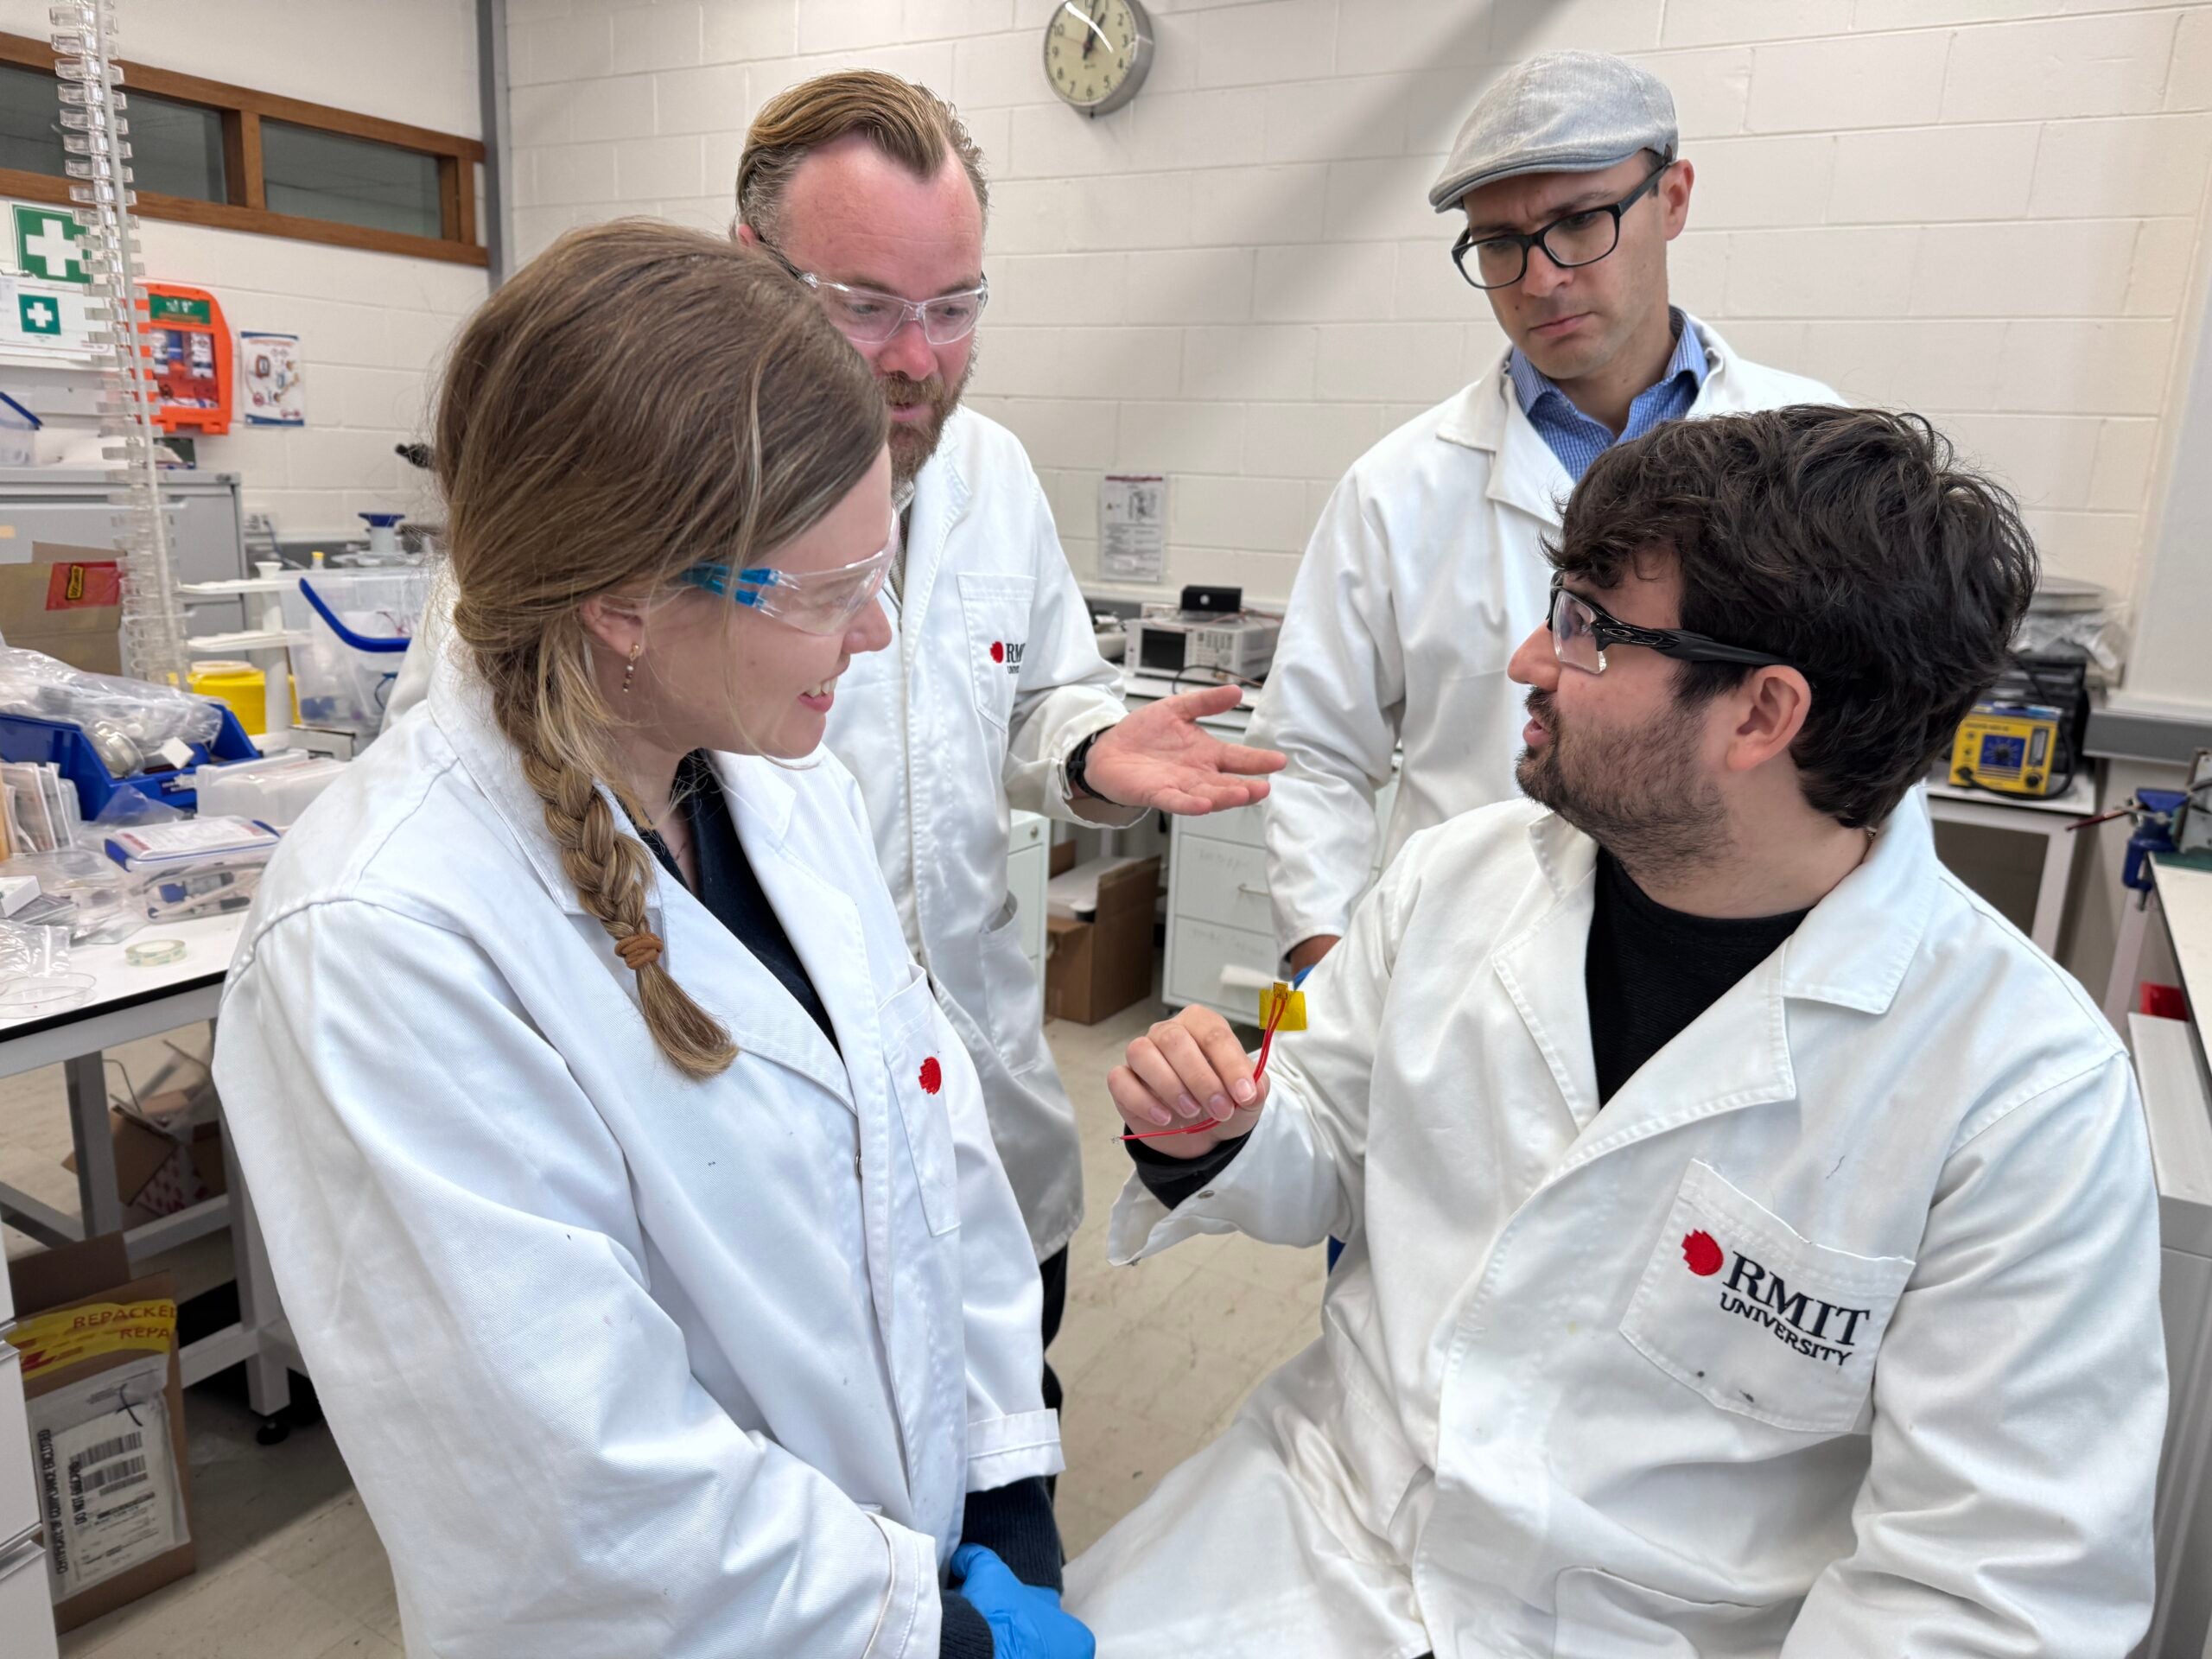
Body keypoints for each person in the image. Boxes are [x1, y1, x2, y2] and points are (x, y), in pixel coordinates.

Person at [1067, 406, 2165, 1656]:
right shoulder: (1449, 877)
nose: (1531, 659)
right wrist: (1221, 1135)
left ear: (1762, 715)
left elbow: (1986, 1601)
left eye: (1589, 630)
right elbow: (1323, 1133)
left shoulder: (2023, 1093)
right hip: (1317, 1541)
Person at [215, 223, 1092, 1659]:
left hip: (910, 1561)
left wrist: (1004, 1486)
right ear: (624, 598)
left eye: (882, 574)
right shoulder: (385, 938)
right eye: (822, 593)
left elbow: (931, 1141)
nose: (874, 639)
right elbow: (563, 1493)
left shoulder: (776, 785)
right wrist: (922, 1632)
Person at [385, 74, 1283, 1408]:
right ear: (751, 268)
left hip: (980, 1123)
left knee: (987, 1428)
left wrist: (1092, 754)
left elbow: (1041, 696)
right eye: (865, 305)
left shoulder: (993, 480)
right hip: (743, 1160)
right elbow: (478, 807)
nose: (918, 357)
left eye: (956, 305)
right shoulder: (626, 520)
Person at [1250, 51, 1837, 978]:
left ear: (1673, 197)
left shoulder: (1813, 454)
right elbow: (1312, 755)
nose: (1540, 278)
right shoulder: (1396, 486)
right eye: (1499, 244)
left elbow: (1870, 745)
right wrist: (1327, 967)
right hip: (1457, 971)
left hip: (1744, 967)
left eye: (1578, 223)